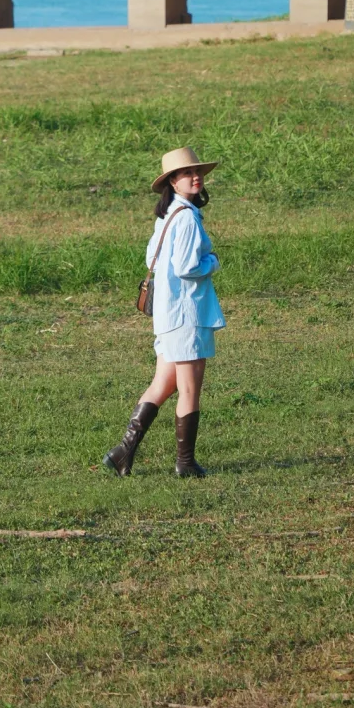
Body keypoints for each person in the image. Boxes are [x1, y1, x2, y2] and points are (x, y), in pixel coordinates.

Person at [104, 145, 225, 479]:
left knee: (163, 384)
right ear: (173, 182)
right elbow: (187, 266)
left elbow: (151, 260)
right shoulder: (185, 217)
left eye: (197, 171)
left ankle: (121, 453)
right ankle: (185, 464)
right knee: (188, 389)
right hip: (187, 314)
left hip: (169, 314)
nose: (195, 177)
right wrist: (212, 261)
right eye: (187, 173)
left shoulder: (169, 215)